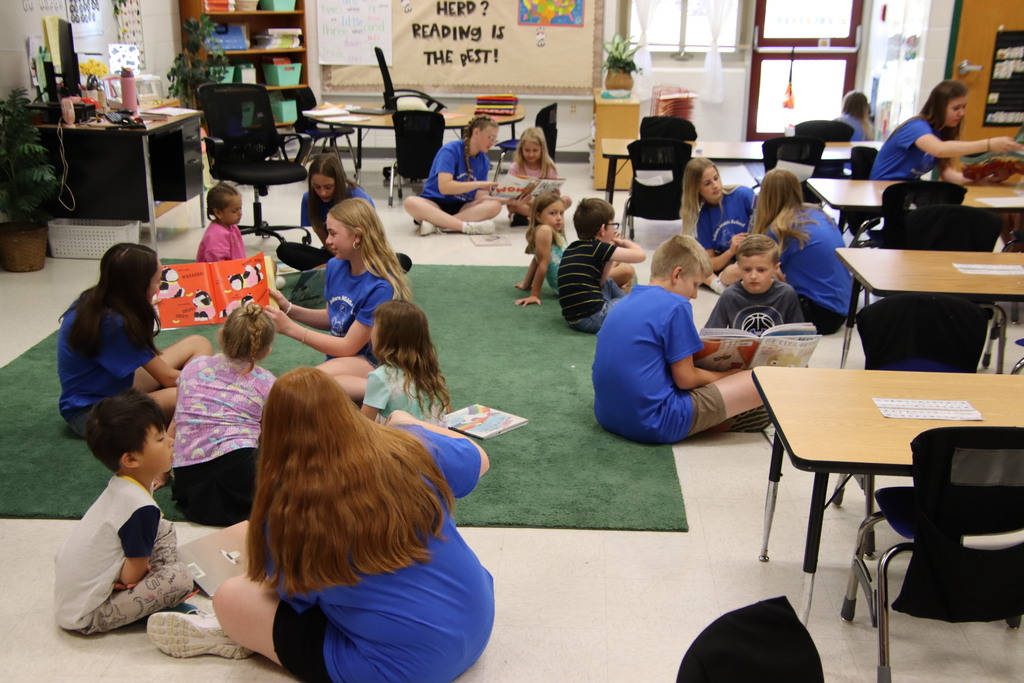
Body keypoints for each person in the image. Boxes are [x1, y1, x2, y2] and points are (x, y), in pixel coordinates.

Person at [147, 367, 495, 683]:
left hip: (403, 670)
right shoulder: (408, 449)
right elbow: (480, 460)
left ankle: (234, 635)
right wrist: (407, 423)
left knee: (232, 597)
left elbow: (292, 597)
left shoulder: (290, 514)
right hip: (476, 621)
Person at [592, 235, 767, 444]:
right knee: (760, 379)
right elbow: (686, 379)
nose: (694, 295)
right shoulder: (676, 304)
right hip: (653, 423)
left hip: (607, 416)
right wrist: (728, 376)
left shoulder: (625, 300)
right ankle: (723, 418)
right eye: (695, 284)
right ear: (677, 274)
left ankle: (721, 415)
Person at [54, 391, 193, 634]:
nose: (171, 441)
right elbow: (131, 575)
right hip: (90, 613)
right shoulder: (141, 507)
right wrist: (132, 576)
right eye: (160, 439)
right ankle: (154, 609)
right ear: (130, 459)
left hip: (75, 598)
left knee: (163, 529)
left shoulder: (125, 485)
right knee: (180, 579)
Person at [57, 243, 213, 436]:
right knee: (192, 394)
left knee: (198, 343)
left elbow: (149, 359)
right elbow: (167, 377)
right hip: (93, 415)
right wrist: (217, 380)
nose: (160, 287)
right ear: (138, 286)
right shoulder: (115, 323)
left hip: (115, 387)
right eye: (157, 281)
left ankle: (177, 403)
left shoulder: (95, 297)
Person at [266, 197, 410, 400]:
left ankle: (395, 391)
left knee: (307, 387)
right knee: (305, 387)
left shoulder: (381, 286)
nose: (327, 241)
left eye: (333, 234)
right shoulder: (335, 265)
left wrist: (290, 328)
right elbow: (333, 318)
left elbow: (348, 345)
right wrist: (288, 308)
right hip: (347, 357)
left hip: (373, 360)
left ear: (357, 236)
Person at [171, 303, 276, 526]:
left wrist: (163, 469)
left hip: (189, 487)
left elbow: (177, 419)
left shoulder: (193, 366)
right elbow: (268, 437)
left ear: (221, 335)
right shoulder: (267, 382)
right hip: (242, 475)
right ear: (266, 352)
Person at [751, 169, 851, 335]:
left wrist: (717, 279)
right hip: (842, 307)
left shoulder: (782, 229)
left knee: (749, 285)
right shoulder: (818, 213)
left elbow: (753, 266)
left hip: (819, 315)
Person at [870, 79, 1022, 183]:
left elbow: (949, 175)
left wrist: (988, 177)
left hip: (907, 190)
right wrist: (989, 144)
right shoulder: (916, 126)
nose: (961, 113)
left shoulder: (942, 132)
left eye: (964, 107)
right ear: (939, 108)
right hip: (885, 191)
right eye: (956, 108)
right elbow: (939, 150)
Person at [275, 154, 393, 272]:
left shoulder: (358, 199)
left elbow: (372, 243)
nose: (323, 193)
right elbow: (327, 243)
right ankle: (337, 270)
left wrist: (353, 261)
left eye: (328, 187)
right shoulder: (309, 199)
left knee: (400, 261)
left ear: (339, 181)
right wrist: (338, 260)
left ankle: (338, 271)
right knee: (285, 250)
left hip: (362, 257)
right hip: (334, 255)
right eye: (317, 187)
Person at [556, 198, 646, 333]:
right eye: (613, 225)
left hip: (574, 320)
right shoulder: (598, 248)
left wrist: (610, 257)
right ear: (603, 229)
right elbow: (640, 256)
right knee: (636, 304)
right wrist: (624, 243)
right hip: (594, 318)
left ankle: (623, 300)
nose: (614, 229)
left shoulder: (573, 247)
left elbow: (601, 281)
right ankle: (626, 303)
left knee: (609, 282)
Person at [404, 115, 503, 235]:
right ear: (476, 132)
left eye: (494, 139)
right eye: (490, 137)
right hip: (435, 204)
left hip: (462, 207)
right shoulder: (450, 150)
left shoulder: (484, 161)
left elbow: (479, 196)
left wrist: (507, 201)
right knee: (410, 202)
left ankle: (437, 225)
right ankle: (464, 226)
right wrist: (480, 183)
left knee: (495, 205)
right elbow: (445, 187)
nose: (492, 143)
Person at [361, 300, 451, 425]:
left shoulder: (380, 377)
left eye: (374, 325)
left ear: (383, 336)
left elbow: (364, 426)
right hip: (438, 440)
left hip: (405, 443)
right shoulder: (427, 369)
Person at [680, 158, 755, 292]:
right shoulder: (703, 217)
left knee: (740, 271)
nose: (715, 185)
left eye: (716, 178)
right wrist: (731, 250)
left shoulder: (742, 195)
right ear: (696, 189)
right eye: (707, 183)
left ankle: (725, 283)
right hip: (732, 264)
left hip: (755, 256)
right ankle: (721, 286)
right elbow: (710, 264)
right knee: (691, 265)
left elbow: (768, 227)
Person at [704, 234, 804, 334]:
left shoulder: (787, 294)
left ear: (776, 268)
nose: (753, 276)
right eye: (747, 269)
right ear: (738, 267)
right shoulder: (730, 295)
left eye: (761, 270)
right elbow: (710, 334)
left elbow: (799, 336)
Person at [505, 127, 572, 226]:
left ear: (542, 150)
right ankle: (543, 217)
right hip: (525, 203)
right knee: (511, 205)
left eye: (535, 150)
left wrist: (556, 193)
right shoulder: (516, 166)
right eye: (527, 150)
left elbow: (555, 195)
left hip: (544, 203)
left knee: (567, 200)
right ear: (521, 150)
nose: (531, 154)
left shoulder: (548, 166)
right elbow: (509, 193)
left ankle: (533, 217)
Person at [513, 192, 567, 306]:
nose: (559, 218)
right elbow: (542, 262)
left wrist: (527, 284)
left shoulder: (550, 230)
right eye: (552, 213)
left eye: (561, 213)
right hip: (570, 285)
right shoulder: (545, 230)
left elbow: (536, 260)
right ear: (538, 216)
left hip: (569, 283)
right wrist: (534, 295)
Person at [197, 182, 246, 263]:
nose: (240, 213)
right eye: (234, 211)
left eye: (240, 208)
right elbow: (218, 268)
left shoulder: (232, 227)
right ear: (218, 213)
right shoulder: (217, 236)